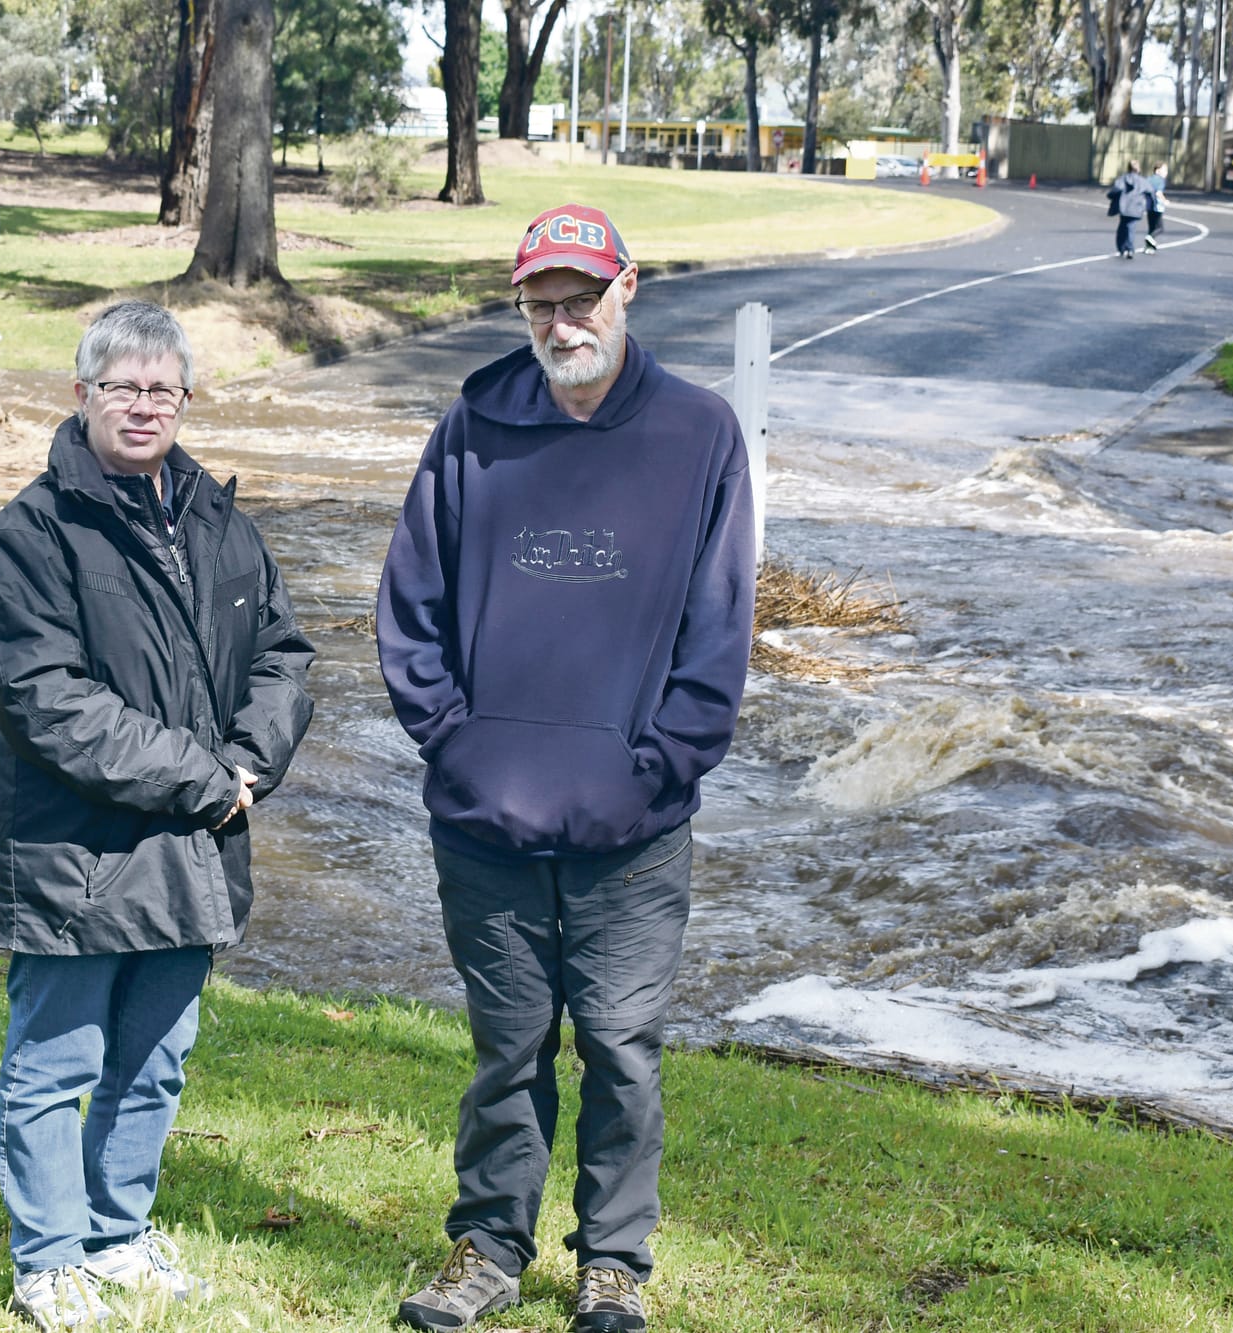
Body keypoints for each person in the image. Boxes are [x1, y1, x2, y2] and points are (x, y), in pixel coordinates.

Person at [377, 203, 756, 1333]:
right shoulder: (472, 425)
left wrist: (657, 770)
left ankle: (612, 1264)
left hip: (632, 827)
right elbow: (410, 605)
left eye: (579, 298)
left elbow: (719, 625)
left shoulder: (699, 434)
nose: (560, 321)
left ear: (626, 287)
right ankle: (486, 1247)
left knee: (620, 1048)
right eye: (539, 302)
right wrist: (455, 741)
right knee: (505, 1047)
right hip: (484, 814)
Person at [0, 300, 315, 1331]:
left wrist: (249, 762)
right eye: (120, 385)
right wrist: (207, 780)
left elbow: (284, 657)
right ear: (80, 395)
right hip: (76, 853)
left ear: (185, 400)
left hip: (190, 849)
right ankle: (47, 1262)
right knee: (55, 1063)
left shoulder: (215, 517)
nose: (142, 405)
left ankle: (116, 1239)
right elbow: (47, 703)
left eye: (161, 388)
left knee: (154, 1061)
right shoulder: (36, 531)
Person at [1107, 159, 1150, 260]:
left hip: (1124, 207)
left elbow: (1115, 189)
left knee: (1122, 227)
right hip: (1136, 208)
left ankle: (1122, 248)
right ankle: (1130, 248)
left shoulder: (1123, 179)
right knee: (1131, 228)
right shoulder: (1142, 181)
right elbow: (1150, 192)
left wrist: (1110, 196)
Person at [1144, 160, 1169, 253]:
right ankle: (1150, 238)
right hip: (1157, 207)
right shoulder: (1160, 180)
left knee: (1151, 227)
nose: (1166, 173)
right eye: (1164, 170)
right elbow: (1158, 192)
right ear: (1157, 170)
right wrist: (1165, 201)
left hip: (1149, 206)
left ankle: (1148, 247)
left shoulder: (1149, 179)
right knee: (1159, 228)